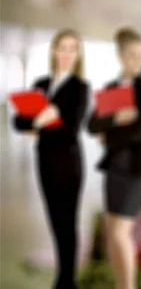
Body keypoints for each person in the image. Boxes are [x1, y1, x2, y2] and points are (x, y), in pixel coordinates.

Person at [13, 29, 89, 289]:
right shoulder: (41, 84)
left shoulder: (80, 88)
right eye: (62, 48)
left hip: (68, 164)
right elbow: (18, 121)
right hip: (45, 162)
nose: (67, 54)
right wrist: (42, 118)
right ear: (53, 51)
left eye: (73, 49)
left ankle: (67, 280)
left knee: (68, 221)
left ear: (78, 55)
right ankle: (64, 277)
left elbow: (71, 128)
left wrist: (42, 122)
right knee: (55, 220)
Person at [88, 28, 141, 289]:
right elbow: (92, 125)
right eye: (132, 56)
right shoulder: (110, 88)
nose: (137, 61)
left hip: (138, 167)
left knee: (121, 231)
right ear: (120, 56)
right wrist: (116, 119)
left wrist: (111, 134)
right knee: (112, 232)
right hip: (115, 167)